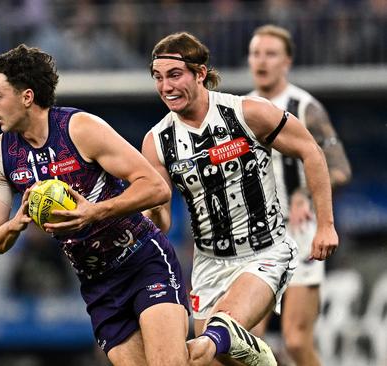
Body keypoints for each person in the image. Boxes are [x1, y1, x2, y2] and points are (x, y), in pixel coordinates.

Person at [0, 44, 191, 366]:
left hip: (142, 260)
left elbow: (156, 188)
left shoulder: (80, 128)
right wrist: (17, 222)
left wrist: (94, 211)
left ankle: (224, 345)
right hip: (97, 283)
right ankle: (221, 348)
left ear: (26, 97)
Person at [141, 32, 338, 365]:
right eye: (158, 78)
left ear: (200, 73)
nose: (166, 87)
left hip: (264, 253)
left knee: (216, 335)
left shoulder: (248, 113)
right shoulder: (157, 142)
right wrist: (150, 215)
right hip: (208, 265)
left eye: (175, 75)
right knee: (209, 358)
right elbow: (161, 219)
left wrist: (326, 225)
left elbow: (311, 150)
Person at [247, 24, 352, 365]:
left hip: (299, 231)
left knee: (295, 340)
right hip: (254, 234)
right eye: (256, 53)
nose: (262, 61)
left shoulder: (306, 107)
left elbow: (340, 168)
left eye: (271, 54)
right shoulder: (241, 109)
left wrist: (304, 194)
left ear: (287, 61)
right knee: (244, 339)